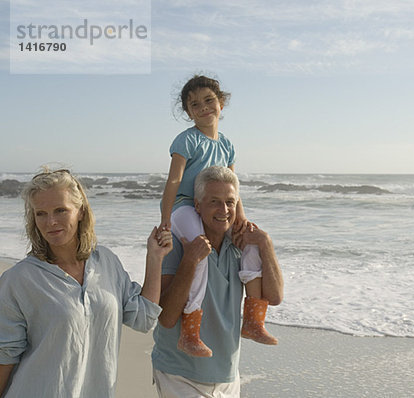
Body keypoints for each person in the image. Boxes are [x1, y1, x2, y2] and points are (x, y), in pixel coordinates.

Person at [0, 167, 173, 398]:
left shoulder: (106, 262)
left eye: (60, 210)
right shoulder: (18, 280)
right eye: (40, 213)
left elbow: (143, 318)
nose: (50, 222)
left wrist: (154, 258)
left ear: (81, 211)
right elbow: (5, 355)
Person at [160, 75, 277, 357]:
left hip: (218, 207)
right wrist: (165, 219)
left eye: (209, 100)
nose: (203, 108)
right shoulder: (186, 140)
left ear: (221, 102)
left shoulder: (227, 145)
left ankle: (252, 319)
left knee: (248, 243)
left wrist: (242, 219)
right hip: (186, 207)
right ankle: (189, 331)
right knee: (199, 253)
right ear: (188, 112)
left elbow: (233, 188)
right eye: (195, 104)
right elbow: (174, 182)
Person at [152, 166, 284, 397]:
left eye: (230, 202)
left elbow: (274, 297)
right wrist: (191, 259)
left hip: (227, 375)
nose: (224, 210)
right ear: (197, 205)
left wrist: (266, 245)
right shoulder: (177, 242)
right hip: (180, 375)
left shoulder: (242, 244)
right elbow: (166, 317)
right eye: (214, 201)